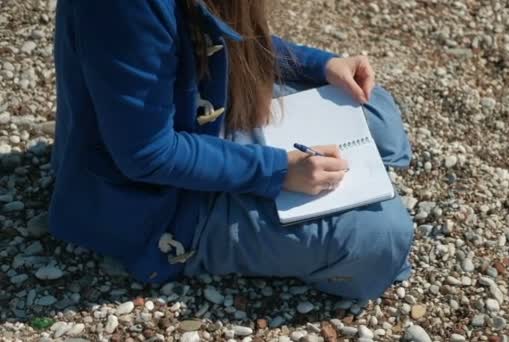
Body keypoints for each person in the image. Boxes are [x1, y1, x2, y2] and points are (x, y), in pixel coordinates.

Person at [49, 0, 414, 300]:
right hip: (161, 201)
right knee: (382, 237)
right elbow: (147, 154)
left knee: (375, 109)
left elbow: (227, 37)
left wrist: (321, 65)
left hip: (202, 112)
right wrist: (279, 171)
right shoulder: (124, 9)